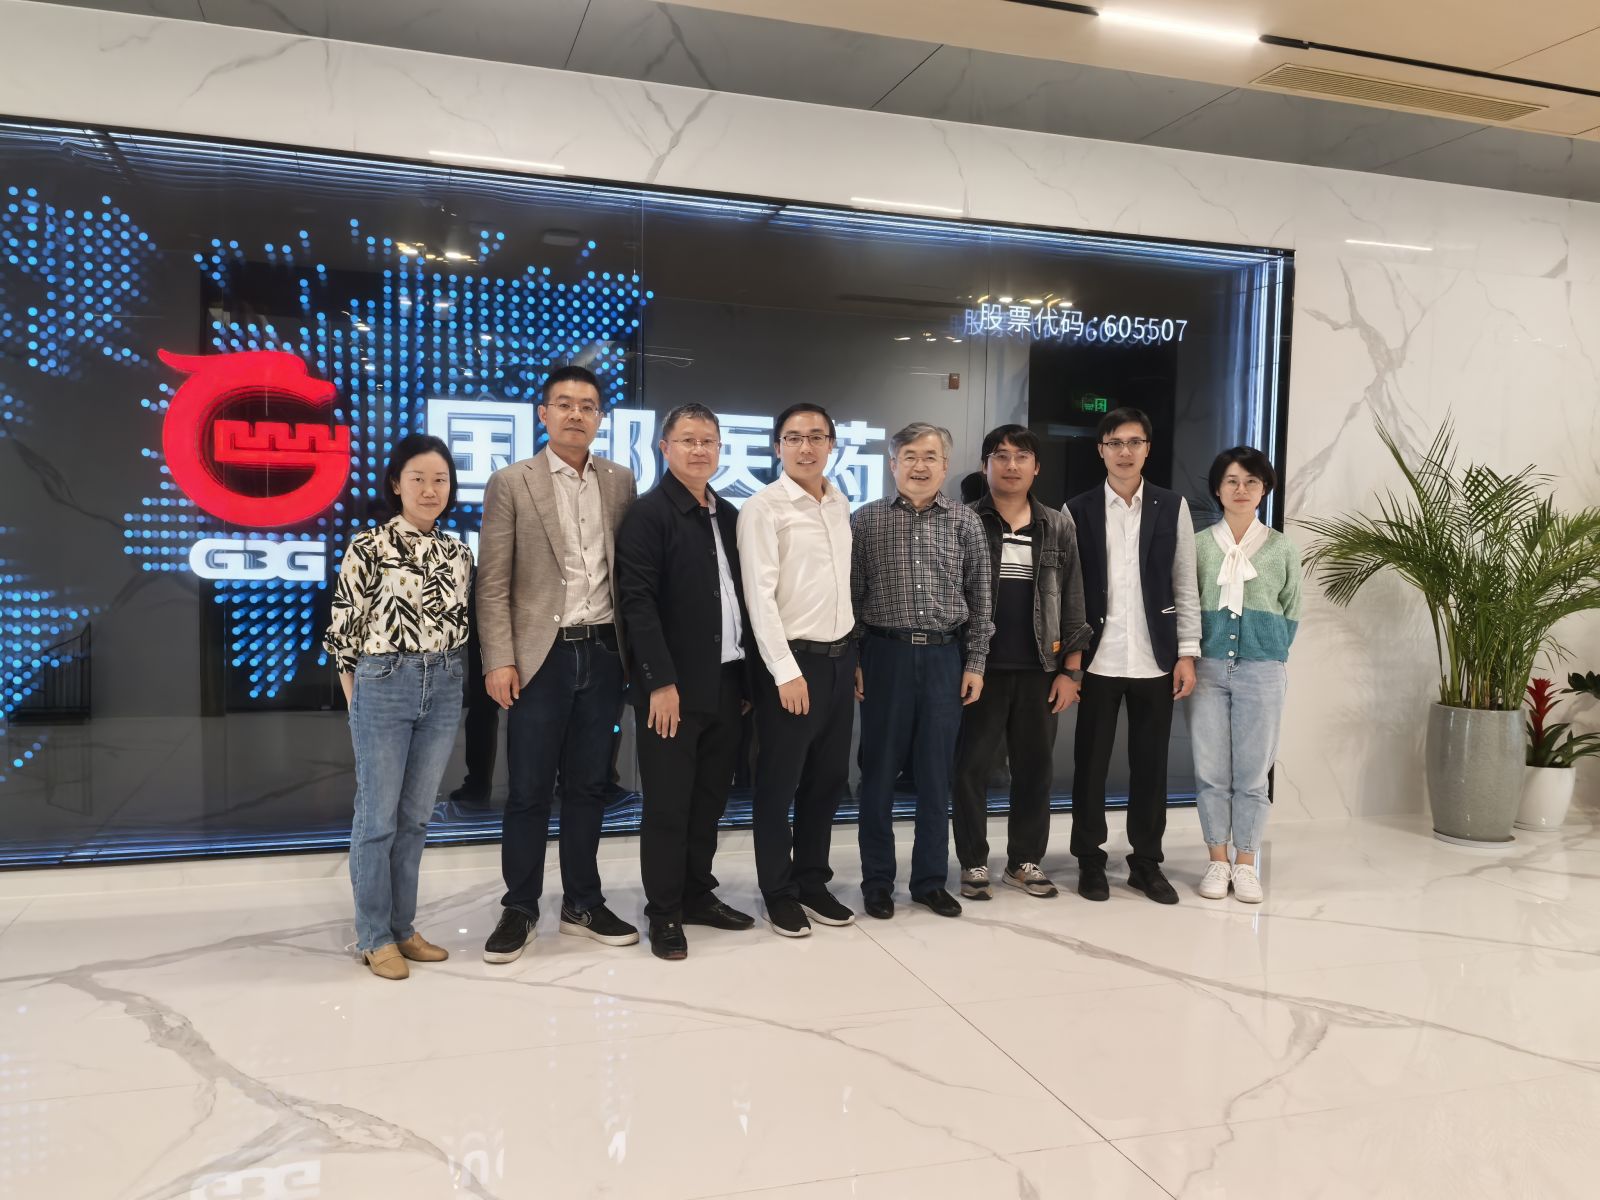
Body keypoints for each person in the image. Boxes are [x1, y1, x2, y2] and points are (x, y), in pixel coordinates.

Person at [475, 365, 638, 963]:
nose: (576, 414)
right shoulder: (511, 482)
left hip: (604, 652)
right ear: (542, 414)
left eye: (587, 406)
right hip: (539, 658)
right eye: (564, 404)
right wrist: (499, 658)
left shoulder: (620, 481)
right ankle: (520, 908)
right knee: (528, 790)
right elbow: (493, 583)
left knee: (589, 786)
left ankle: (582, 903)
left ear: (600, 418)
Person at [325, 435, 473, 980]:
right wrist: (358, 702)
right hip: (383, 681)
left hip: (445, 683)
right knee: (377, 819)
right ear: (396, 484)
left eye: (440, 480)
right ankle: (373, 936)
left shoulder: (459, 553)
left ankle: (403, 928)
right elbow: (344, 635)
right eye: (418, 479)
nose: (430, 490)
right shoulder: (367, 547)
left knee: (415, 819)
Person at [615, 403, 757, 960]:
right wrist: (659, 682)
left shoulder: (730, 514)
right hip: (672, 690)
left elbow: (742, 601)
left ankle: (698, 894)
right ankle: (665, 912)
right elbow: (638, 604)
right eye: (688, 440)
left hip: (727, 682)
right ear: (664, 448)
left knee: (709, 801)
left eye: (709, 441)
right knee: (669, 806)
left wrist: (747, 683)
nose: (700, 450)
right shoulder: (648, 515)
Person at [852, 422, 993, 920]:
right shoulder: (865, 521)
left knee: (936, 777)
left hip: (943, 659)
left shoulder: (965, 522)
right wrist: (855, 659)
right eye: (909, 456)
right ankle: (877, 881)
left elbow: (981, 597)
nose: (919, 465)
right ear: (892, 464)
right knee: (878, 777)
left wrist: (975, 662)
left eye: (930, 456)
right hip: (884, 656)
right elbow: (852, 594)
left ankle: (930, 881)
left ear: (945, 466)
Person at [1065, 406, 1201, 906]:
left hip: (1154, 658)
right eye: (1115, 443)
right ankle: (1089, 859)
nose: (1125, 452)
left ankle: (1146, 863)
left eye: (1134, 442)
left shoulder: (1172, 506)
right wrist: (1071, 661)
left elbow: (1185, 581)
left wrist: (1187, 653)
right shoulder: (1076, 509)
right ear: (1100, 450)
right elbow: (1068, 592)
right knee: (1090, 765)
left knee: (1152, 766)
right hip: (1098, 659)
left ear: (1147, 449)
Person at [952, 425, 1091, 901]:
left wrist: (1071, 671)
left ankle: (1024, 861)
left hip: (1040, 670)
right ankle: (973, 862)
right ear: (984, 465)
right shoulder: (965, 521)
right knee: (970, 770)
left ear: (1036, 467)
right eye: (1001, 456)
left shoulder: (1057, 525)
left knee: (1035, 771)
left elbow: (1074, 601)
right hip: (978, 669)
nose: (1011, 465)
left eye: (1021, 456)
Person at [736, 403, 858, 938]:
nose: (805, 447)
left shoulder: (839, 503)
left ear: (831, 444)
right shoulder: (763, 508)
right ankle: (778, 891)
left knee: (827, 781)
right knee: (779, 784)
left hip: (839, 660)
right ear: (777, 446)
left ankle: (812, 881)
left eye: (816, 437)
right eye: (793, 437)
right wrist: (785, 671)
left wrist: (852, 655)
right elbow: (759, 599)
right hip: (790, 663)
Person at [1191, 447, 1301, 904]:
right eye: (1232, 481)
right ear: (1218, 489)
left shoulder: (1282, 547)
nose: (1241, 489)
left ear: (1264, 489)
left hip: (1262, 671)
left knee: (1253, 775)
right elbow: (1186, 604)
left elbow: (1292, 609)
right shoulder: (1197, 545)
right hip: (1207, 669)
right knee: (1211, 772)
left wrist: (1268, 652)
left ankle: (1246, 862)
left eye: (1251, 481)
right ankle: (1217, 859)